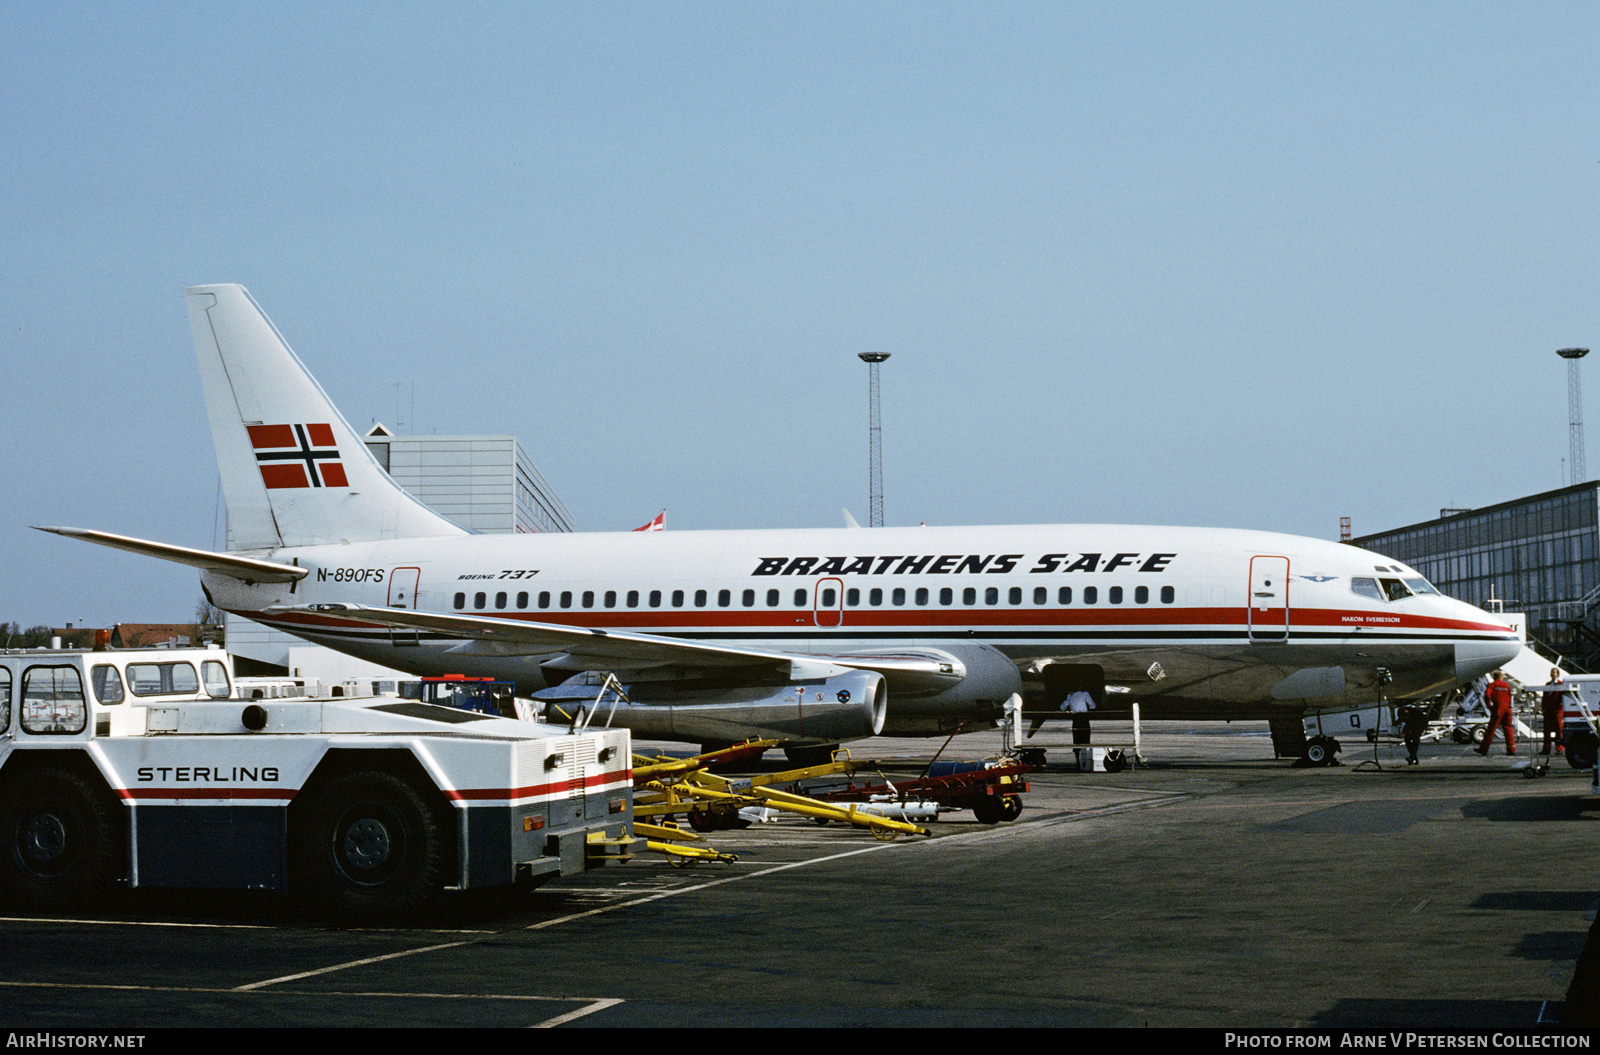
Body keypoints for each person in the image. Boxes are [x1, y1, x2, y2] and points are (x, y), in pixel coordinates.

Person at [1475, 670, 1516, 756]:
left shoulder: (1492, 685)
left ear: (1494, 677)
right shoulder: (1506, 685)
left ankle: (1483, 749)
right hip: (1507, 709)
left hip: (1498, 709)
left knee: (1491, 730)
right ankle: (1511, 749)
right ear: (1501, 677)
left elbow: (1487, 695)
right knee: (1508, 729)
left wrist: (1489, 706)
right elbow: (1509, 697)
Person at [1062, 688, 1095, 766]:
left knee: (1076, 739)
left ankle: (1077, 760)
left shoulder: (1070, 696)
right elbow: (1092, 705)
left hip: (1076, 718)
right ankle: (1087, 759)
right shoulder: (1085, 694)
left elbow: (1063, 707)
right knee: (1086, 738)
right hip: (1084, 717)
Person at [1542, 667, 1566, 756]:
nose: (1552, 674)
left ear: (1557, 674)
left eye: (1554, 672)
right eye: (1551, 672)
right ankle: (1546, 749)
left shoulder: (1560, 684)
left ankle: (1559, 748)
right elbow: (1544, 697)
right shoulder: (1548, 684)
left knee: (1558, 730)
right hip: (1548, 711)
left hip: (1556, 711)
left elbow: (1562, 699)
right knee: (1546, 730)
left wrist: (1559, 710)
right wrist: (1543, 709)